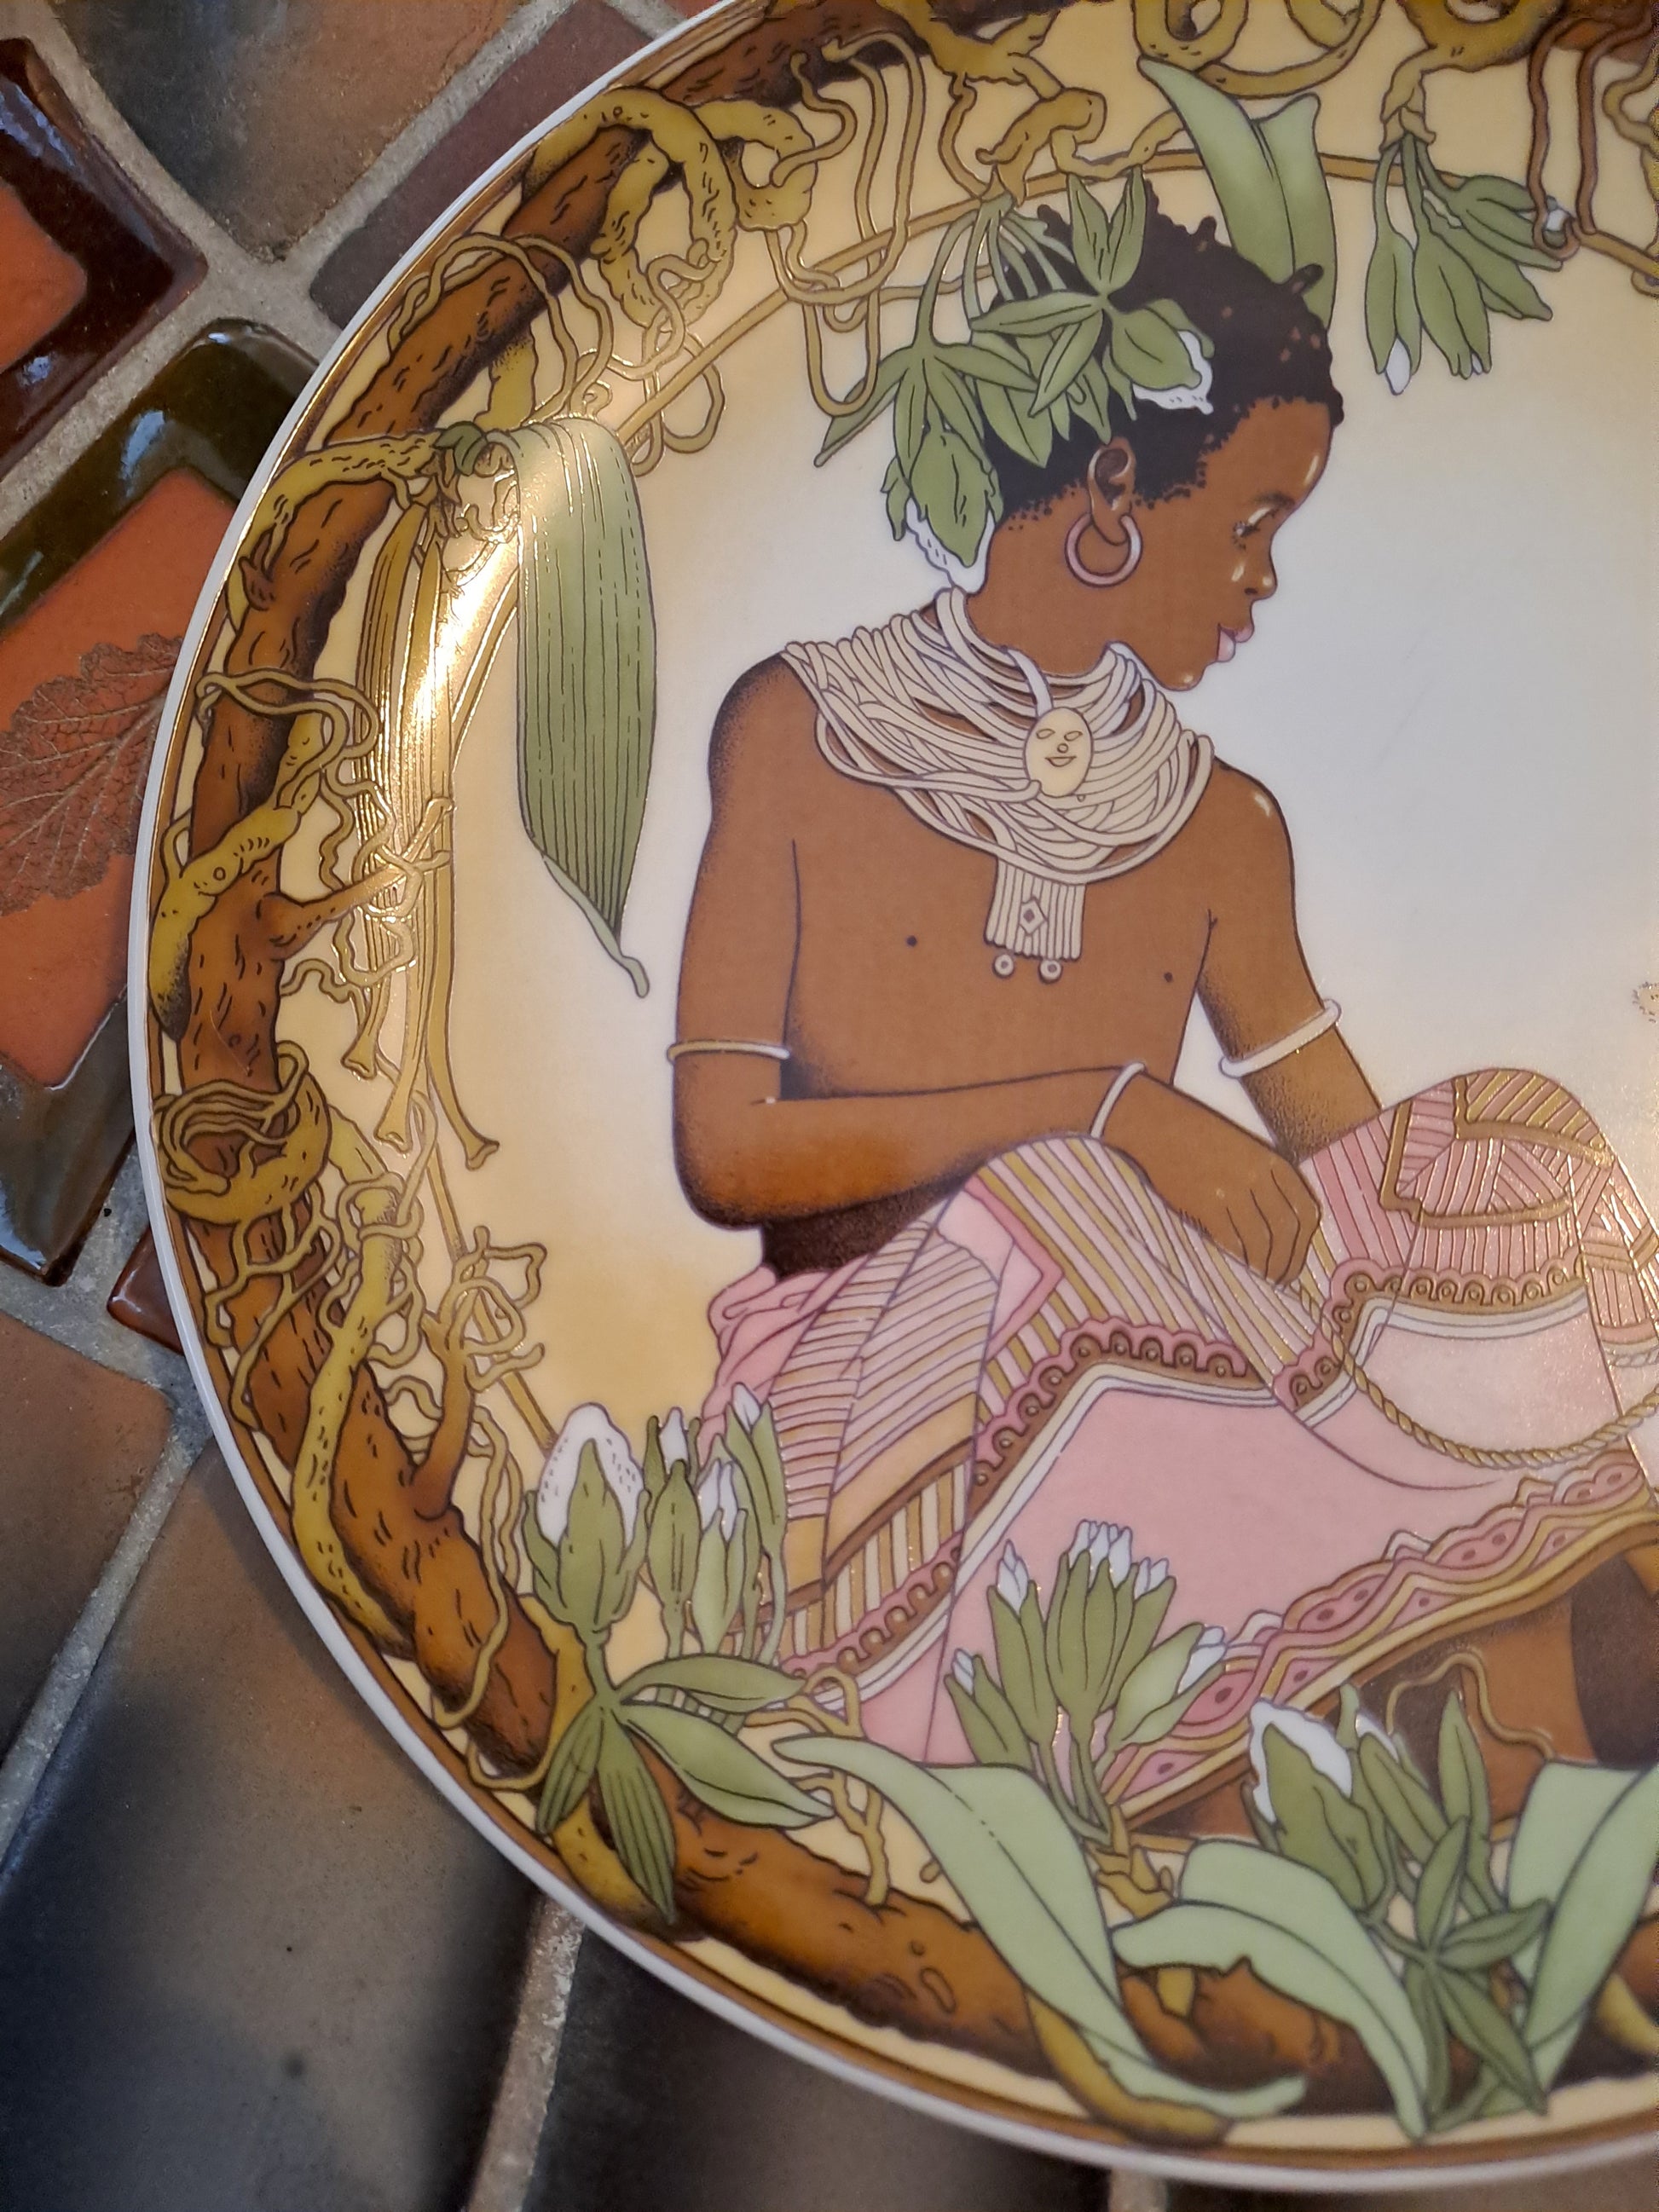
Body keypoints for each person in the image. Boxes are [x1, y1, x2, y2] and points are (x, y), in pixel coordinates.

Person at [669, 199, 1659, 1804]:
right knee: (1065, 1198)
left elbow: (1339, 1185)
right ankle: (1352, 1725)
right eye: (1253, 521)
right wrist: (1100, 1112)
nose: (1263, 579)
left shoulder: (1219, 825)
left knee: (1516, 1143)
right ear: (1115, 489)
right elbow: (727, 1152)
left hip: (1150, 1329)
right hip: (869, 1395)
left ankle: (1514, 1645)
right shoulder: (800, 728)